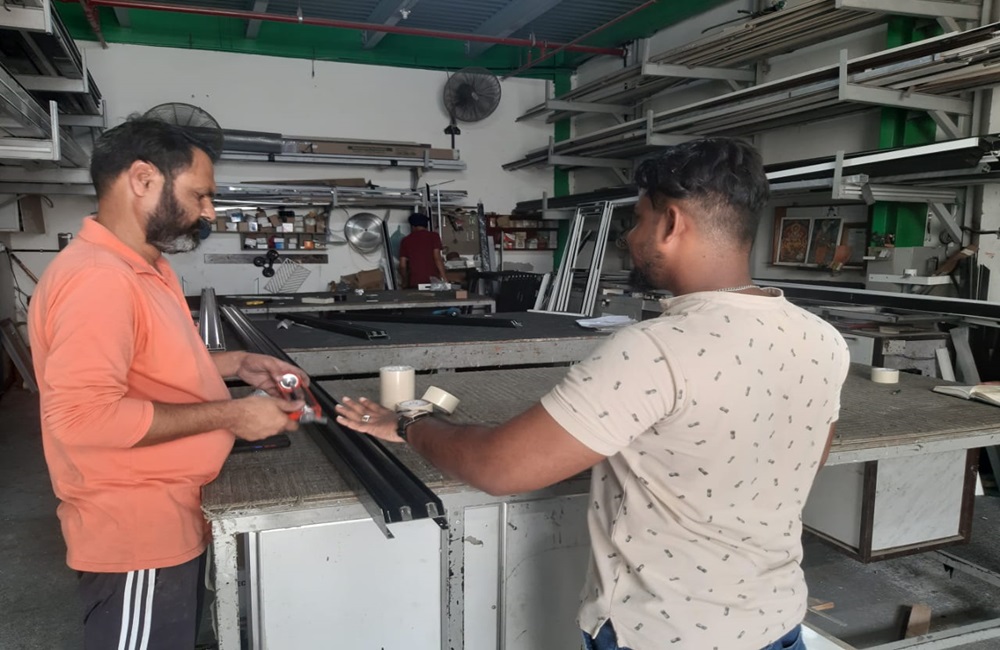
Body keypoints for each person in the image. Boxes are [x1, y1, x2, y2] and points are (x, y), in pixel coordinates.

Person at [336, 138, 850, 650]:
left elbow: (499, 467)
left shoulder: (655, 349)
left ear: (671, 224)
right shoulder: (821, 338)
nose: (629, 236)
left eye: (638, 220)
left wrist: (409, 422)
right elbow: (801, 460)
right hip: (776, 623)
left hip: (664, 635)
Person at [28, 117, 308, 650]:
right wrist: (233, 415)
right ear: (142, 179)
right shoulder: (99, 279)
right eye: (200, 194)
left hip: (170, 512)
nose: (210, 211)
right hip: (137, 531)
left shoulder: (145, 267)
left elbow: (151, 363)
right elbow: (83, 419)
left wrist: (237, 364)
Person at [398, 212, 448, 288]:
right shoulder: (434, 236)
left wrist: (404, 282)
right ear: (426, 225)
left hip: (414, 282)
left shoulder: (405, 240)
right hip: (433, 281)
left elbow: (402, 265)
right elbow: (437, 258)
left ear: (412, 226)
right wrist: (444, 278)